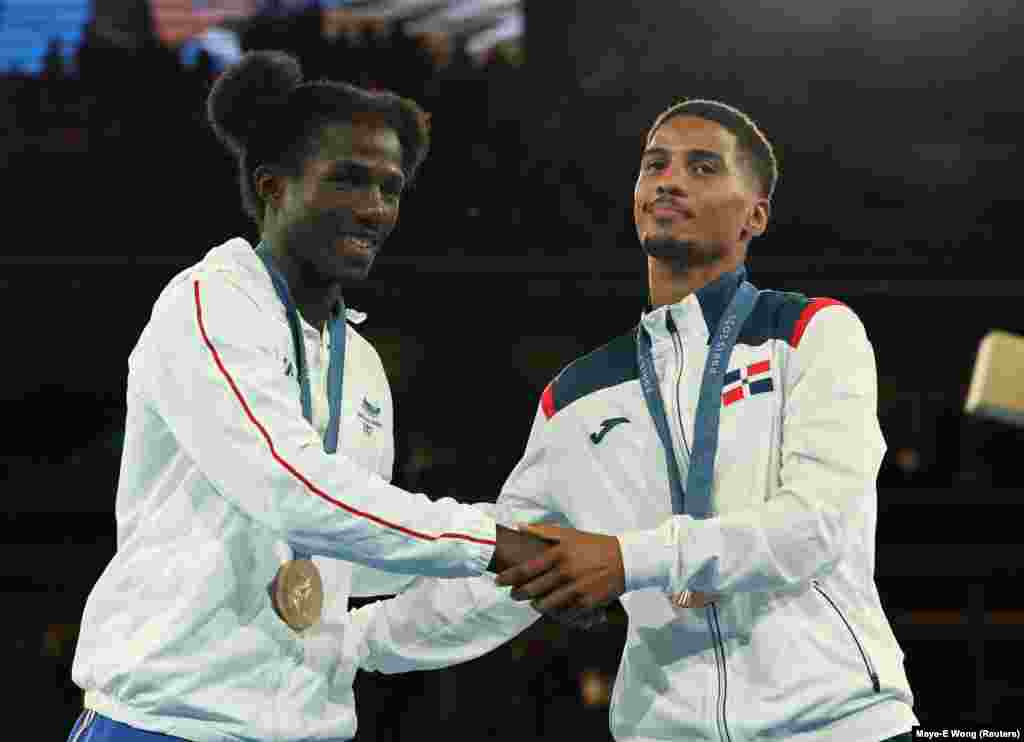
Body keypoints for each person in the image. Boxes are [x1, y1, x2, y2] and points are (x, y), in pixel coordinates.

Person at [348, 99, 918, 742]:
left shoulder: (810, 334)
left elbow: (815, 525)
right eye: (655, 166)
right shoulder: (576, 397)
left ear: (755, 214)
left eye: (703, 167)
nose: (670, 180)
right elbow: (500, 579)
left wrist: (627, 559)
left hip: (840, 724)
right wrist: (344, 644)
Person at [66, 50, 551, 742]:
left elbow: (354, 560)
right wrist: (493, 542)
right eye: (348, 180)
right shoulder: (210, 303)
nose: (376, 208)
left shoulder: (358, 364)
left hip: (306, 728)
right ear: (273, 186)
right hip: (167, 722)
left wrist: (537, 577)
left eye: (391, 187)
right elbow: (291, 488)